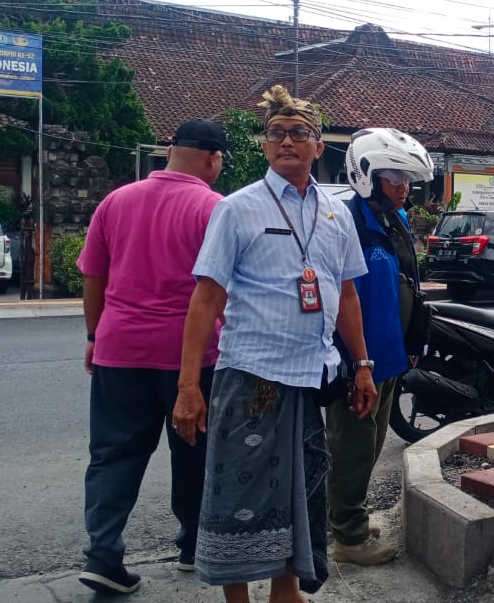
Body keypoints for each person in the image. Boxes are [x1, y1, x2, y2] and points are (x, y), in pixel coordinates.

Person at [173, 85, 375, 603]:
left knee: (301, 492)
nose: (287, 141)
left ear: (318, 146)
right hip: (250, 375)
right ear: (264, 146)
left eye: (299, 133)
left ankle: (286, 593)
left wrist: (363, 364)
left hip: (311, 376)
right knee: (237, 492)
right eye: (277, 133)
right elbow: (206, 299)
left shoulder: (336, 214)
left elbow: (347, 295)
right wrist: (188, 386)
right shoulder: (236, 209)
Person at [74, 119, 227, 595]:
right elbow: (222, 290)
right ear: (214, 159)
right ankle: (193, 545)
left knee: (113, 453)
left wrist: (94, 335)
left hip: (119, 349)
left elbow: (93, 276)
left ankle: (103, 555)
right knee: (195, 452)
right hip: (193, 356)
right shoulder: (214, 208)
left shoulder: (116, 201)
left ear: (169, 151)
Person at [327, 128, 432, 565]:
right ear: (366, 175)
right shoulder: (345, 221)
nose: (404, 188)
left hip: (388, 356)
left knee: (370, 445)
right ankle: (349, 539)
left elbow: (407, 285)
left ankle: (342, 516)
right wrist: (356, 363)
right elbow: (340, 297)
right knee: (351, 448)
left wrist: (412, 340)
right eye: (395, 179)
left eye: (407, 180)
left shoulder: (395, 220)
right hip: (359, 361)